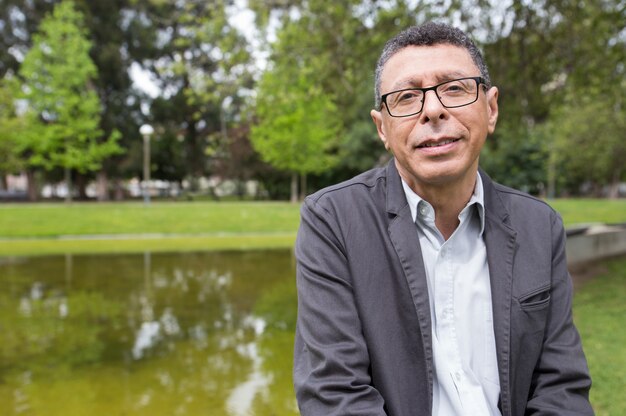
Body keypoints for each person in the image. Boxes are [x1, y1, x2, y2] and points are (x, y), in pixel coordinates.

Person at [293, 22, 593, 416]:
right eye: (406, 96)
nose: (433, 110)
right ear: (382, 127)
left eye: (454, 88)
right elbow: (334, 394)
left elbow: (561, 389)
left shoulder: (539, 225)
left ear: (491, 108)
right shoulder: (332, 221)